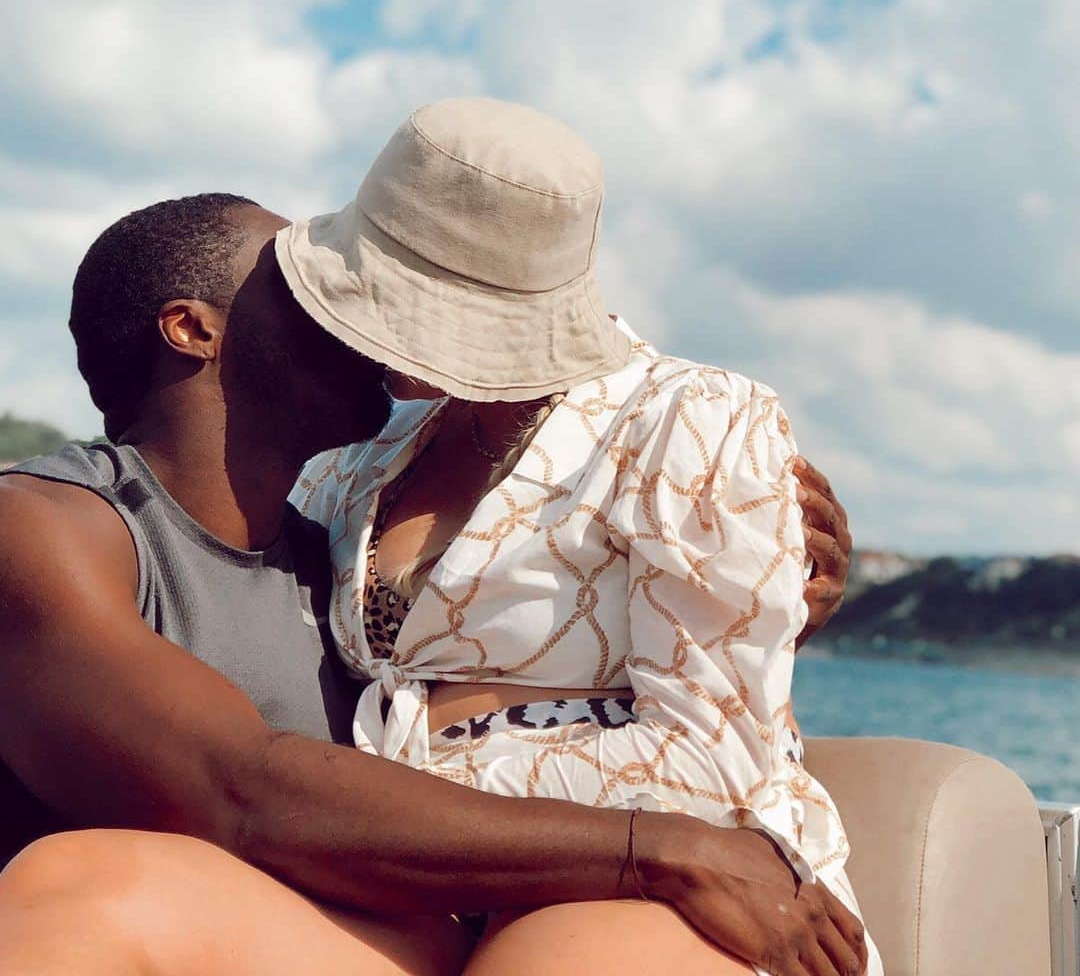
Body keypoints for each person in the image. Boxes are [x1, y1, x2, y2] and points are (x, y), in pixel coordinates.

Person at [0, 166, 859, 976]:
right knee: (86, 884)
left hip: (393, 931)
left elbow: (523, 640)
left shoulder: (334, 561)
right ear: (195, 328)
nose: (361, 300)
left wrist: (756, 560)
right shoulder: (45, 528)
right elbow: (241, 788)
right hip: (164, 921)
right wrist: (657, 847)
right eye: (307, 282)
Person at [281, 97, 881, 976]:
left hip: (684, 889)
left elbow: (711, 766)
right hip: (399, 880)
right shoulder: (355, 459)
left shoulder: (691, 417)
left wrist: (370, 809)